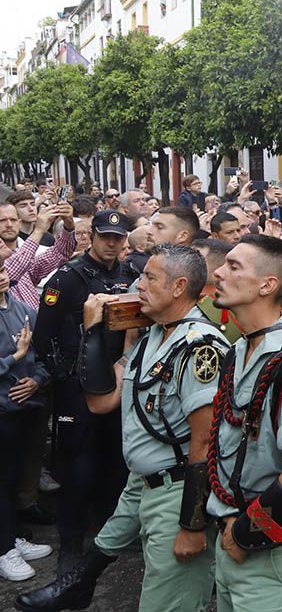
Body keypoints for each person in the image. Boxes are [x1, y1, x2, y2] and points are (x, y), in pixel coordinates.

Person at [17, 244, 227, 611]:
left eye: (150, 277)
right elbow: (102, 400)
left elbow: (206, 440)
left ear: (179, 287)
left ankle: (78, 586)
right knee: (108, 540)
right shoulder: (152, 338)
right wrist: (94, 332)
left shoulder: (199, 347)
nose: (138, 284)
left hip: (177, 488)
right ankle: (77, 586)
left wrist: (193, 524)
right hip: (144, 477)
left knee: (163, 601)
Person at [205, 234, 282, 611]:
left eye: (233, 266)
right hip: (231, 529)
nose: (219, 273)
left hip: (267, 547)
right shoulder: (240, 348)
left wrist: (243, 534)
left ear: (267, 285)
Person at [32, 210, 137, 569]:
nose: (111, 243)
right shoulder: (68, 278)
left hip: (117, 378)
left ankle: (110, 532)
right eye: (105, 236)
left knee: (114, 458)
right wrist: (62, 374)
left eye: (118, 237)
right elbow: (43, 336)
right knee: (79, 464)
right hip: (77, 385)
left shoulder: (129, 275)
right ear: (91, 235)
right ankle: (71, 542)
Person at [0, 267, 48, 584]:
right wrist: (14, 358)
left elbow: (43, 356)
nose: (1, 275)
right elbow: (21, 353)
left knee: (13, 478)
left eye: (1, 268)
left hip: (24, 410)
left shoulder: (21, 307)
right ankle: (4, 551)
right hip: (2, 412)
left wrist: (37, 380)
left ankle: (11, 536)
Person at [0, 201, 76, 309]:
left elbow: (59, 253)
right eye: (2, 220)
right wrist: (39, 230)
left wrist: (69, 224)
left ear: (19, 222)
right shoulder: (18, 263)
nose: (9, 225)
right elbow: (13, 269)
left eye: (13, 220)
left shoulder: (24, 259)